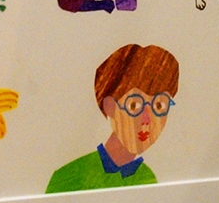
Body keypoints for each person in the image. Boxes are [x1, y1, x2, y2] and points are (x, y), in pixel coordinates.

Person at [46, 43, 179, 193]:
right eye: (134, 105)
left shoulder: (147, 177)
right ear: (110, 107)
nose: (147, 119)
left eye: (159, 106)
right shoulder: (68, 178)